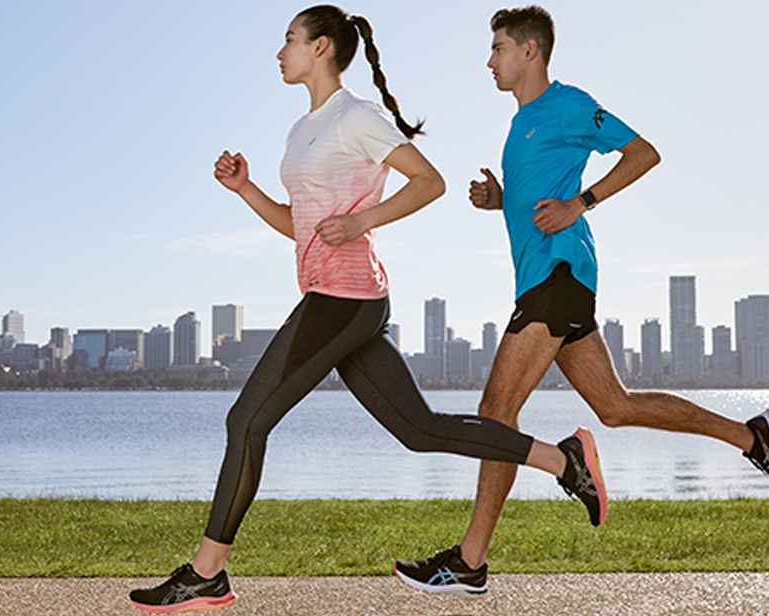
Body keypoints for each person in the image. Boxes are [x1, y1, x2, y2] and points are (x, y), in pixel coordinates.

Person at [128, 5, 608, 613]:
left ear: (321, 47)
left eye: (289, 39)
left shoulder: (356, 115)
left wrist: (361, 221)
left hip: (345, 296)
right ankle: (563, 460)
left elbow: (428, 181)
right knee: (419, 430)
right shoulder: (303, 129)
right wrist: (246, 189)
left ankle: (206, 574)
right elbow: (302, 227)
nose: (279, 51)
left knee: (245, 421)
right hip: (335, 296)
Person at [391, 5, 769, 597]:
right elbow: (538, 195)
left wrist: (581, 203)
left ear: (529, 50)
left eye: (498, 48)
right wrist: (501, 200)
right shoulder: (522, 122)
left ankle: (472, 560)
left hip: (559, 274)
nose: (490, 61)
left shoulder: (569, 105)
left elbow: (643, 153)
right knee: (615, 406)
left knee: (495, 413)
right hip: (547, 279)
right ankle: (753, 437)